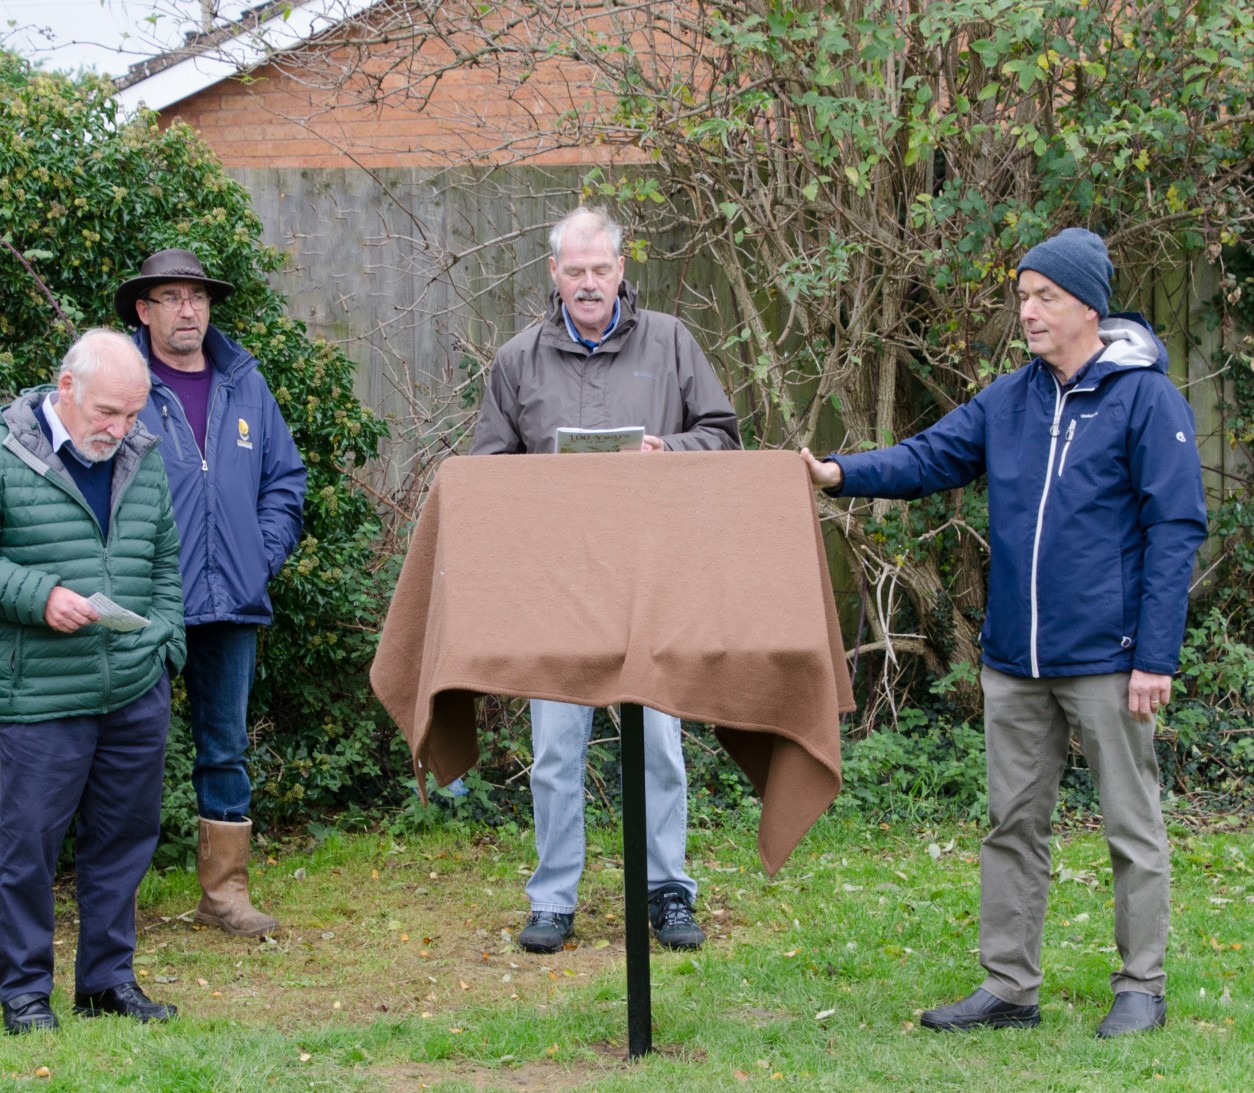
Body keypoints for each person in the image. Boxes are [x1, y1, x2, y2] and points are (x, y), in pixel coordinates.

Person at [801, 228, 1208, 1038]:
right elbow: (930, 457)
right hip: (1015, 663)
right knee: (1012, 826)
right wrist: (839, 473)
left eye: (1044, 296)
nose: (1027, 311)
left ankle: (1141, 987)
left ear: (1088, 305)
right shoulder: (1011, 400)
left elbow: (1176, 530)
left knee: (1131, 827)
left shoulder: (1146, 400)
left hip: (1110, 660)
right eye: (1022, 296)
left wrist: (1155, 655)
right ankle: (1009, 989)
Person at [471, 205, 742, 954]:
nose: (589, 284)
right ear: (553, 274)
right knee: (556, 750)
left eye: (601, 269)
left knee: (660, 745)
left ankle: (668, 891)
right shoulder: (517, 359)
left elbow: (722, 436)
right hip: (558, 587)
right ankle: (554, 898)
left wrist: (668, 453)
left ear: (622, 269)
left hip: (655, 582)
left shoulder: (672, 342)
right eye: (575, 271)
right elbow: (487, 473)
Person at [0, 328, 187, 1035]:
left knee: (124, 841)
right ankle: (24, 996)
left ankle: (107, 983)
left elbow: (166, 557)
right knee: (29, 848)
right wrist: (40, 595)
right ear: (66, 388)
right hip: (40, 695)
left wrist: (167, 643)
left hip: (135, 689)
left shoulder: (140, 454)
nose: (121, 428)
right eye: (109, 412)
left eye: (134, 414)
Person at [113, 249, 307, 938]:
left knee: (224, 748)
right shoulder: (123, 382)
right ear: (145, 309)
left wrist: (261, 554)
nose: (187, 309)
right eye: (170, 297)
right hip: (143, 607)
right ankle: (115, 900)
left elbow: (286, 480)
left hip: (230, 604)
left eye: (196, 296)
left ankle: (225, 896)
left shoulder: (244, 383)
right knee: (128, 749)